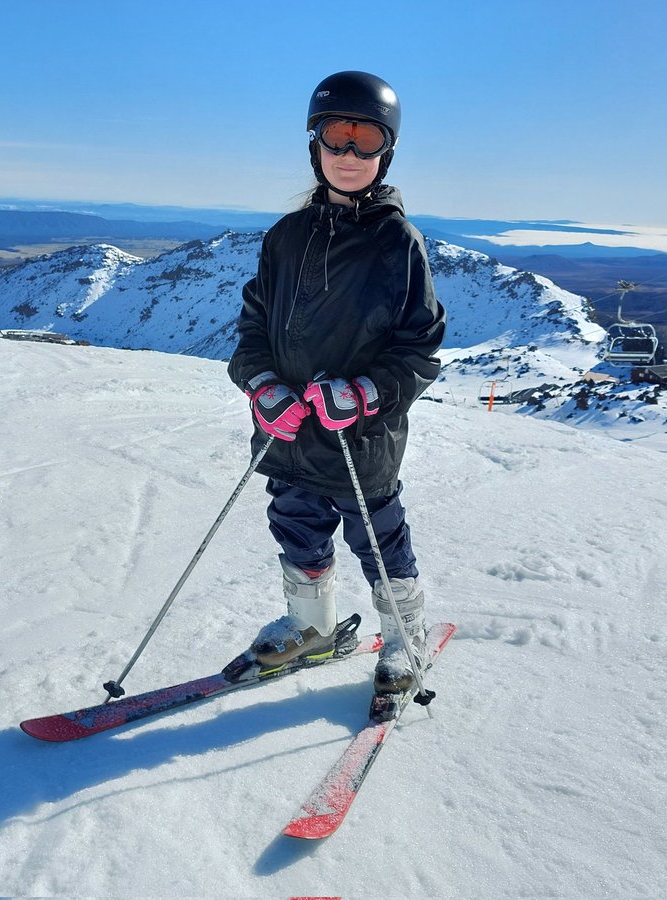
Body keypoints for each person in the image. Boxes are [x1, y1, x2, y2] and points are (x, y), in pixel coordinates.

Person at [227, 70, 446, 696]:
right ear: (314, 144)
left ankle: (406, 637)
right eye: (335, 137)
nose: (349, 155)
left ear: (387, 151)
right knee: (295, 524)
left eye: (366, 140)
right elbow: (252, 332)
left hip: (360, 436)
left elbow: (419, 345)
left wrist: (366, 394)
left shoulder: (396, 242)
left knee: (378, 535)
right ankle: (310, 626)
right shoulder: (285, 237)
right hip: (289, 434)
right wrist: (264, 387)